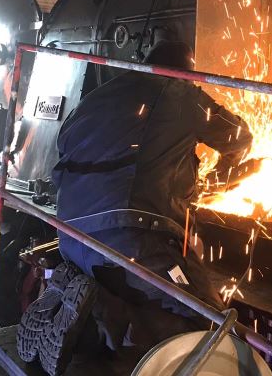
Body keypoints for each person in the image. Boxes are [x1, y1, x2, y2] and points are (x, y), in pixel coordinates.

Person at [18, 40, 254, 375]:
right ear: (184, 74)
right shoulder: (179, 92)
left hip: (71, 238)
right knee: (207, 325)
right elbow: (240, 138)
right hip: (131, 238)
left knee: (135, 297)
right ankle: (100, 319)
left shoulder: (93, 99)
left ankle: (85, 316)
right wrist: (221, 178)